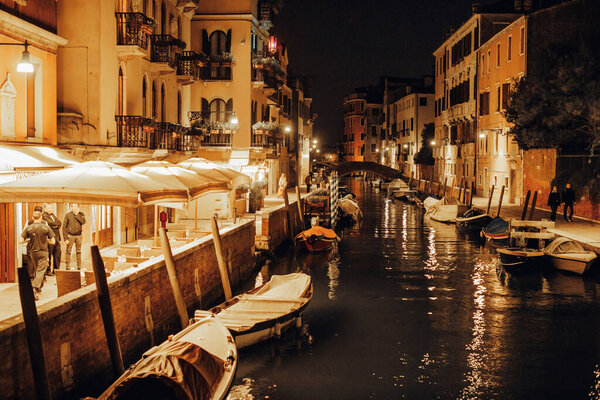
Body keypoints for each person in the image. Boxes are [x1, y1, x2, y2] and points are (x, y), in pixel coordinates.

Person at [19, 206, 55, 300]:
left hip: (33, 252)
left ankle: (39, 287)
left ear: (33, 217)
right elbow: (53, 241)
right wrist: (45, 240)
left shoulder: (29, 228)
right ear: (41, 217)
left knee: (37, 270)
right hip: (43, 251)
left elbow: (20, 241)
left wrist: (29, 239)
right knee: (40, 270)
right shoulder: (46, 227)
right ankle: (34, 289)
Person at [63, 204, 86, 269]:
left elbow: (83, 222)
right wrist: (65, 238)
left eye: (76, 207)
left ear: (78, 207)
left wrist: (77, 215)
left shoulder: (81, 214)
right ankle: (67, 266)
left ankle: (79, 266)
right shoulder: (68, 215)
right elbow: (64, 227)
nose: (74, 208)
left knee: (78, 251)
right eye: (73, 207)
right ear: (71, 207)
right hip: (70, 236)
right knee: (68, 251)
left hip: (79, 236)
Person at [42, 203, 61, 275]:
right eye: (49, 208)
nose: (51, 209)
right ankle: (48, 270)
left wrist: (55, 225)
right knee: (49, 254)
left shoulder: (52, 215)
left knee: (57, 253)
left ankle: (56, 270)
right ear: (45, 209)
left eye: (51, 208)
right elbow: (50, 223)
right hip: (50, 237)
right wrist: (54, 224)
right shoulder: (44, 216)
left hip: (56, 237)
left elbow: (59, 222)